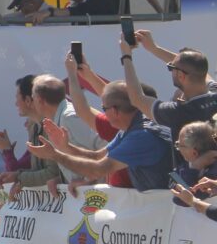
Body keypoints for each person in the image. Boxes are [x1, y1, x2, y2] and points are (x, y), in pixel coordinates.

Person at [27, 82, 172, 192]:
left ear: (114, 110)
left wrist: (56, 155)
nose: (102, 114)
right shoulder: (129, 129)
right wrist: (66, 147)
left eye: (104, 109)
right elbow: (97, 156)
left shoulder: (141, 136)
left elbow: (97, 169)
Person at [121, 40, 217, 145]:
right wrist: (154, 48)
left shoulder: (178, 112)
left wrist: (126, 57)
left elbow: (137, 99)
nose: (170, 70)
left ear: (181, 76)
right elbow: (193, 67)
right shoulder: (214, 90)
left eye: (171, 68)